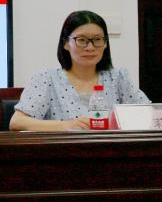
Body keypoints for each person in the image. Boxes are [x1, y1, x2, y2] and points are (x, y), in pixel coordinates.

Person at [10, 10, 150, 131]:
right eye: (82, 40)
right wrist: (68, 125)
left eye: (97, 39)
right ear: (66, 43)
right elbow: (17, 122)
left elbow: (149, 114)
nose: (90, 47)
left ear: (105, 43)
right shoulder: (46, 79)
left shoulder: (118, 78)